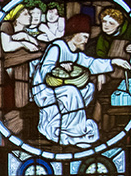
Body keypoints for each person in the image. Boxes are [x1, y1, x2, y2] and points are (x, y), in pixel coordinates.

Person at [31, 14, 130, 146]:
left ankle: (75, 126)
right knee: (71, 91)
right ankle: (71, 132)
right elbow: (45, 70)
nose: (85, 41)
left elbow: (92, 64)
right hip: (45, 90)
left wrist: (114, 61)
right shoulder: (58, 47)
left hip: (60, 88)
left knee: (89, 87)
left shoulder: (76, 54)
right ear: (75, 34)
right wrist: (59, 67)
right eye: (84, 37)